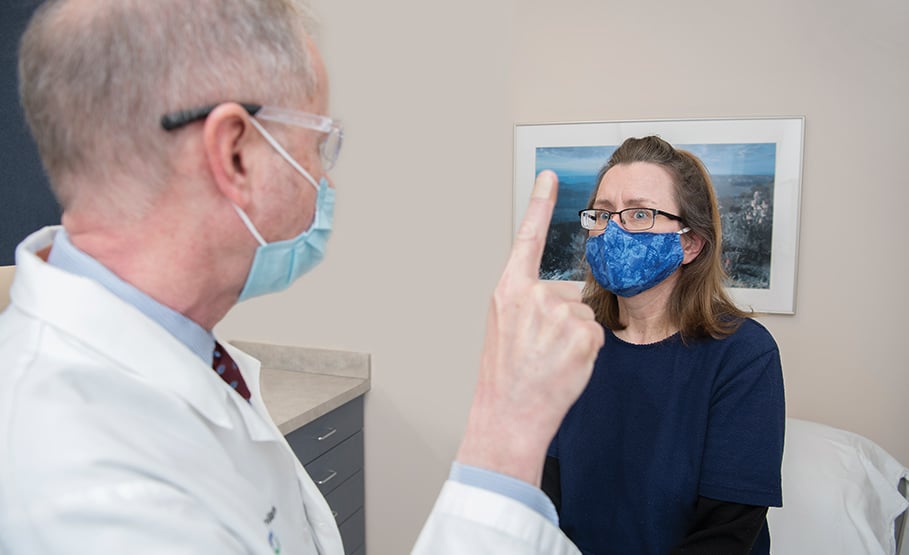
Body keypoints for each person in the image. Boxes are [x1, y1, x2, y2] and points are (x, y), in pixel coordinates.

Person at [0, 1, 603, 553]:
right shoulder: (76, 478)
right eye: (318, 146)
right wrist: (504, 439)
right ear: (235, 153)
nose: (326, 184)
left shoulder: (182, 352)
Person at [542, 136, 785, 555]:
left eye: (639, 213)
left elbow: (723, 538)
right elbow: (543, 500)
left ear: (690, 243)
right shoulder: (569, 341)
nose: (613, 230)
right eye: (602, 214)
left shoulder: (743, 356)